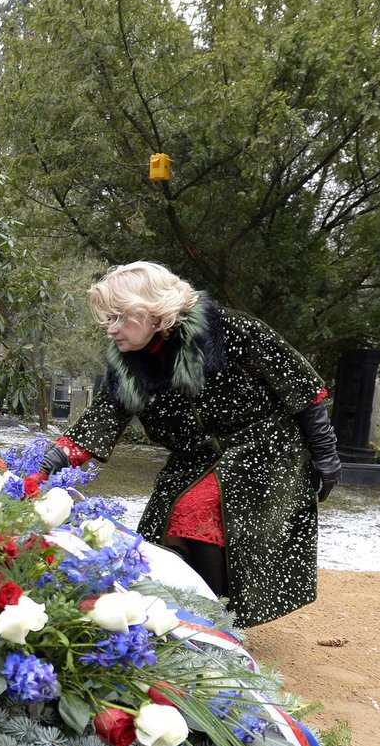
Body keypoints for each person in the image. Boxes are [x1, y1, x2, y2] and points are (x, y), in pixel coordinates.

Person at [38, 261, 340, 627]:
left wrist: (326, 455)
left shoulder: (229, 329)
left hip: (265, 447)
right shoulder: (127, 364)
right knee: (157, 537)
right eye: (108, 319)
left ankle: (215, 623)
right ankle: (192, 619)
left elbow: (303, 387)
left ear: (152, 311)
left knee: (193, 510)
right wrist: (44, 465)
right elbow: (100, 420)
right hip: (194, 460)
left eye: (120, 317)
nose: (112, 329)